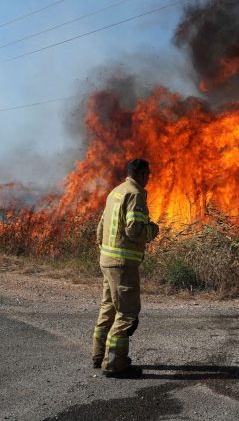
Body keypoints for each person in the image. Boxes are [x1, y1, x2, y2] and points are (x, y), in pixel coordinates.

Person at [91, 158, 159, 378]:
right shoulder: (135, 194)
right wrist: (152, 231)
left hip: (107, 261)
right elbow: (133, 230)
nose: (149, 178)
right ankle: (114, 363)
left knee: (108, 308)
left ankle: (98, 354)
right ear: (141, 174)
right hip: (123, 264)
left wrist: (105, 251)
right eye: (148, 174)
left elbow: (100, 227)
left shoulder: (115, 192)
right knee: (127, 313)